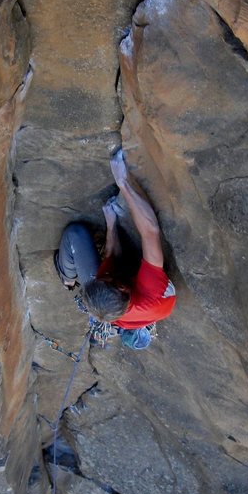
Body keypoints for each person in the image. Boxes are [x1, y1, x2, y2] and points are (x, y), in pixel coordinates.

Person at [54, 149, 176, 349]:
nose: (104, 274)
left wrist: (111, 224)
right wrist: (123, 183)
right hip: (151, 293)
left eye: (103, 277)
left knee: (76, 234)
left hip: (125, 300)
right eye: (106, 277)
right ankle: (69, 276)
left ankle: (67, 276)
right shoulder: (151, 294)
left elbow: (112, 256)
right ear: (121, 287)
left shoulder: (107, 296)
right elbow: (150, 232)